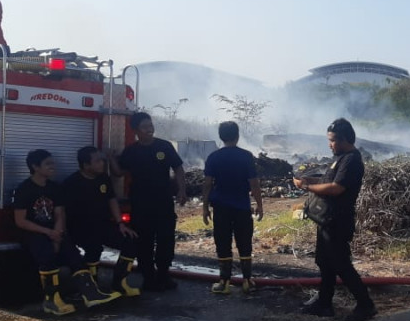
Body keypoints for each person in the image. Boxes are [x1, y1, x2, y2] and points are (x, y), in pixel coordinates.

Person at [11, 149, 120, 315]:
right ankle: (51, 302)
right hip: (34, 233)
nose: (53, 166)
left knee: (74, 255)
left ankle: (91, 295)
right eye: (48, 164)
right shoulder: (24, 189)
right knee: (47, 256)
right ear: (35, 167)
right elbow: (20, 221)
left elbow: (60, 213)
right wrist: (48, 232)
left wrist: (58, 233)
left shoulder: (54, 188)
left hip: (54, 231)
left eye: (52, 163)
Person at [293, 118, 375, 321]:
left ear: (345, 139)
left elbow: (336, 188)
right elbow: (327, 181)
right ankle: (324, 303)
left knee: (341, 264)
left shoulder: (351, 160)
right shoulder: (340, 158)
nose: (330, 145)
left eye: (333, 141)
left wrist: (306, 187)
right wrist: (308, 180)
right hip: (327, 220)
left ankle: (366, 305)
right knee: (325, 262)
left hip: (338, 221)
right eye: (329, 140)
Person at [114, 112, 186, 291]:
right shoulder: (131, 151)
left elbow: (178, 168)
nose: (149, 129)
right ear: (136, 130)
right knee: (144, 241)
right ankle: (148, 277)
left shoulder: (164, 146)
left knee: (166, 239)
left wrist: (182, 190)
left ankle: (164, 275)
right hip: (140, 204)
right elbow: (119, 173)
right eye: (145, 127)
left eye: (150, 125)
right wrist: (110, 159)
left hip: (163, 202)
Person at [63, 146, 142, 298]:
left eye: (102, 160)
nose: (102, 164)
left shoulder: (103, 178)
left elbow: (112, 200)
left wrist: (120, 223)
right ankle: (91, 286)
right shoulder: (72, 183)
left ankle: (120, 283)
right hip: (80, 228)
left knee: (130, 241)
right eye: (98, 161)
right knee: (93, 247)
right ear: (86, 165)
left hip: (102, 225)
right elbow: (62, 211)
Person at [201, 122, 263, 294]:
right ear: (237, 135)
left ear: (220, 137)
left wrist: (205, 207)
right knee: (244, 242)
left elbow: (207, 184)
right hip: (242, 207)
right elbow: (254, 183)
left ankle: (224, 282)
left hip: (220, 208)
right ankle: (247, 281)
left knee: (223, 242)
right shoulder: (246, 156)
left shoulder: (213, 157)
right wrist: (259, 205)